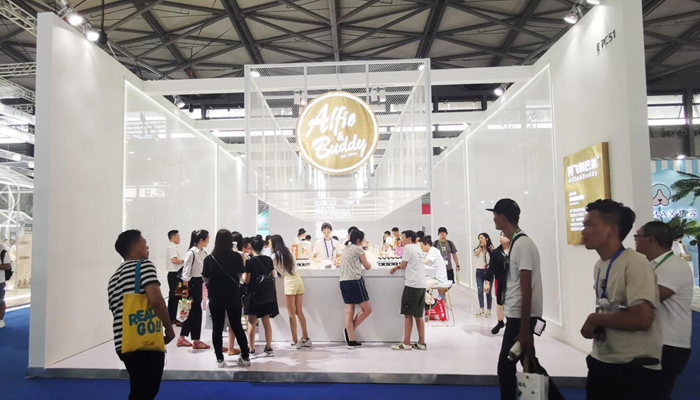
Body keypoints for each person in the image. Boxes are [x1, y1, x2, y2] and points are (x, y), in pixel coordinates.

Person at [580, 199, 662, 400]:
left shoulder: (635, 263)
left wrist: (595, 319)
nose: (584, 231)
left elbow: (642, 319)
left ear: (612, 230)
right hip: (604, 361)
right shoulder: (600, 265)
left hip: (633, 368)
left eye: (590, 224)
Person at [487, 199, 563, 400]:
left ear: (503, 217)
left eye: (495, 215)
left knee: (506, 367)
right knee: (529, 363)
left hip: (521, 318)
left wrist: (524, 329)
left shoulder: (522, 244)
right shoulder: (518, 243)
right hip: (518, 316)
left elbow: (526, 287)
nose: (493, 219)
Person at [108, 230, 175, 400]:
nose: (147, 247)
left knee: (139, 389)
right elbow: (156, 301)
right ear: (134, 247)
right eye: (144, 243)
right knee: (145, 392)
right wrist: (169, 328)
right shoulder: (144, 266)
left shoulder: (114, 277)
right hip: (145, 341)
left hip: (124, 342)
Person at [634, 221, 693, 400]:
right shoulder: (652, 264)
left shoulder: (674, 266)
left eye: (637, 236)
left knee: (656, 393)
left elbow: (649, 298)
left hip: (669, 344)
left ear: (650, 239)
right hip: (657, 342)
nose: (635, 240)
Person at [202, 229, 250, 368]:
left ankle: (219, 359)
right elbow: (240, 274)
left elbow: (205, 277)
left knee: (217, 328)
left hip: (216, 297)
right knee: (237, 326)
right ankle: (245, 357)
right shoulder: (236, 257)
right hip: (233, 296)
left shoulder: (209, 258)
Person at [271, 234, 312, 349]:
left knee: (291, 313)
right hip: (298, 278)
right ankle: (306, 338)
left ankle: (294, 340)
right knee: (299, 311)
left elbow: (274, 271)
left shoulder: (274, 256)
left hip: (289, 280)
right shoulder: (288, 251)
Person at [390, 230, 426, 351]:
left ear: (409, 238)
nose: (401, 240)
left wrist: (396, 267)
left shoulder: (408, 247)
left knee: (408, 314)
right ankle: (421, 343)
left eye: (403, 238)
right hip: (421, 284)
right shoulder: (418, 247)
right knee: (418, 315)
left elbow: (403, 265)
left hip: (412, 284)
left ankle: (406, 343)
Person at [243, 237, 279, 358]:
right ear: (263, 247)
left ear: (251, 247)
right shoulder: (268, 259)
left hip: (253, 294)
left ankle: (251, 349)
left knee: (252, 322)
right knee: (266, 321)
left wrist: (243, 276)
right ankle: (268, 347)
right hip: (266, 294)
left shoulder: (250, 261)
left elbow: (247, 280)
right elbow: (273, 274)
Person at [339, 229, 373, 349]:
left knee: (349, 311)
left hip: (343, 282)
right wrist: (370, 264)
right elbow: (367, 266)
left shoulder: (345, 249)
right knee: (367, 309)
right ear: (359, 240)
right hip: (354, 281)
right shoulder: (359, 249)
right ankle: (349, 331)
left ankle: (351, 340)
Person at [178, 230, 211, 349]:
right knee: (193, 312)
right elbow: (185, 274)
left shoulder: (204, 252)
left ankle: (183, 338)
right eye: (207, 238)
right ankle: (195, 340)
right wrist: (185, 291)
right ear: (201, 240)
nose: (209, 241)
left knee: (192, 312)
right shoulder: (191, 253)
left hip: (199, 283)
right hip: (190, 285)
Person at [488, 232, 510, 335]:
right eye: (500, 236)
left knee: (512, 303)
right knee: (500, 303)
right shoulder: (496, 252)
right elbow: (491, 268)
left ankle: (511, 324)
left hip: (513, 282)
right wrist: (487, 282)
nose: (501, 238)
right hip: (500, 280)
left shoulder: (515, 251)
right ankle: (500, 322)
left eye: (504, 236)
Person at [421, 235, 448, 305]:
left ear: (427, 245)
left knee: (419, 287)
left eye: (422, 246)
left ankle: (432, 302)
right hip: (433, 276)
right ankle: (427, 303)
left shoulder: (433, 251)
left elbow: (424, 262)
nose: (421, 248)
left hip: (438, 278)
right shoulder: (428, 252)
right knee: (417, 284)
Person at [474, 233, 495, 317]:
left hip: (489, 272)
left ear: (486, 238)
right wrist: (481, 246)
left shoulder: (491, 248)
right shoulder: (478, 247)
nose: (480, 239)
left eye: (482, 238)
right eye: (479, 238)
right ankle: (481, 308)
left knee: (488, 291)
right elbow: (476, 254)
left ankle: (489, 309)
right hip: (479, 271)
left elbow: (493, 259)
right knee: (480, 290)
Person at [165, 230, 184, 324]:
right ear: (173, 237)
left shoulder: (172, 247)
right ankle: (176, 318)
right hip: (175, 274)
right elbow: (174, 260)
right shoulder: (172, 247)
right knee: (177, 296)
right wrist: (185, 261)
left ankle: (172, 317)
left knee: (174, 296)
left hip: (174, 274)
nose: (179, 238)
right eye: (178, 237)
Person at [0, 241, 10, 329]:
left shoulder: (4, 252)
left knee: (0, 301)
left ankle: (0, 320)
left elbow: (7, 266)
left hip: (0, 281)